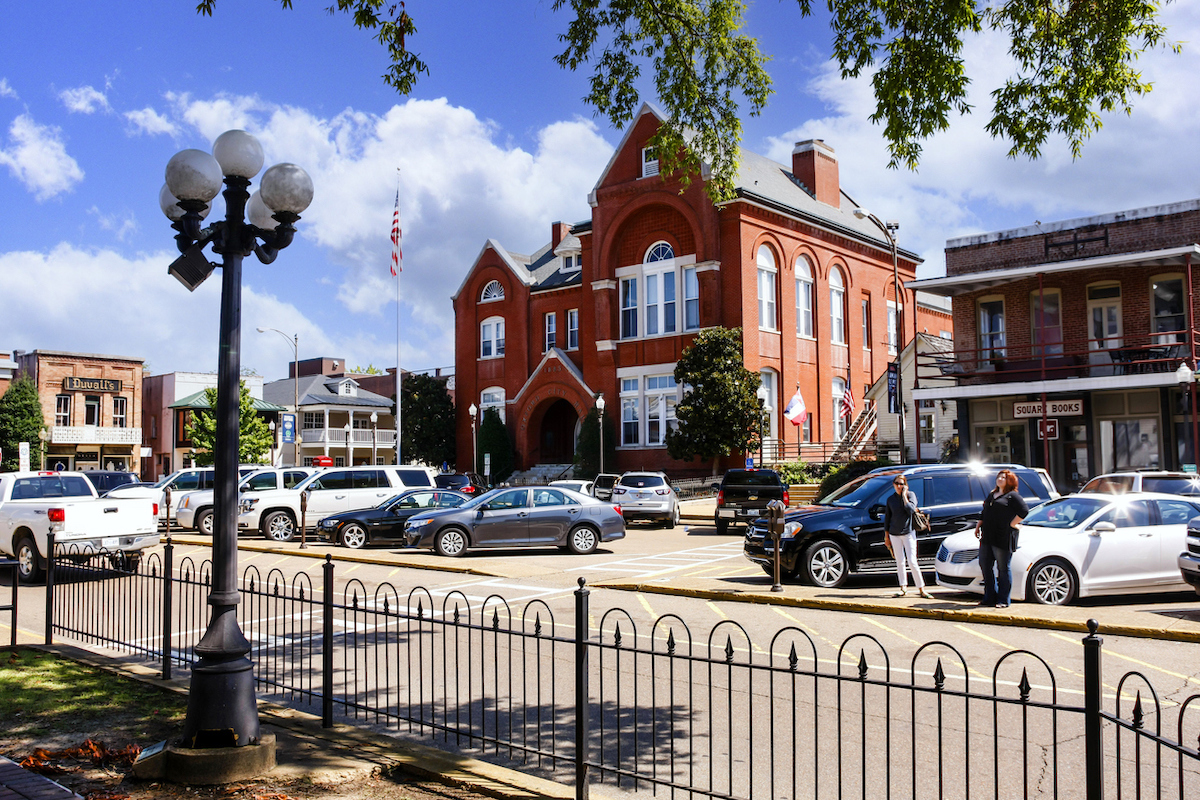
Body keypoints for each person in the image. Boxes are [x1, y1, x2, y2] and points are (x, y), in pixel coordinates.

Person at [974, 469, 1029, 608]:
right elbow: (985, 512)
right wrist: (978, 525)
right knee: (985, 565)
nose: (1000, 479)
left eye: (1003, 477)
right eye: (998, 476)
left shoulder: (1012, 496)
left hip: (1003, 536)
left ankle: (1003, 599)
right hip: (987, 536)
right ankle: (989, 597)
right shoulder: (992, 495)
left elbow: (1024, 511)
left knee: (1003, 568)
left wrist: (1012, 523)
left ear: (1010, 481)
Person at [883, 475, 933, 599]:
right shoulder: (890, 499)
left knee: (912, 561)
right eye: (896, 483)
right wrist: (886, 537)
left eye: (901, 484)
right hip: (894, 534)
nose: (899, 486)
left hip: (908, 533)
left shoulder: (911, 495)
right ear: (893, 484)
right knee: (900, 561)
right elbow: (887, 518)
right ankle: (903, 587)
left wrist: (904, 496)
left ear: (905, 485)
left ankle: (921, 589)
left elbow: (910, 510)